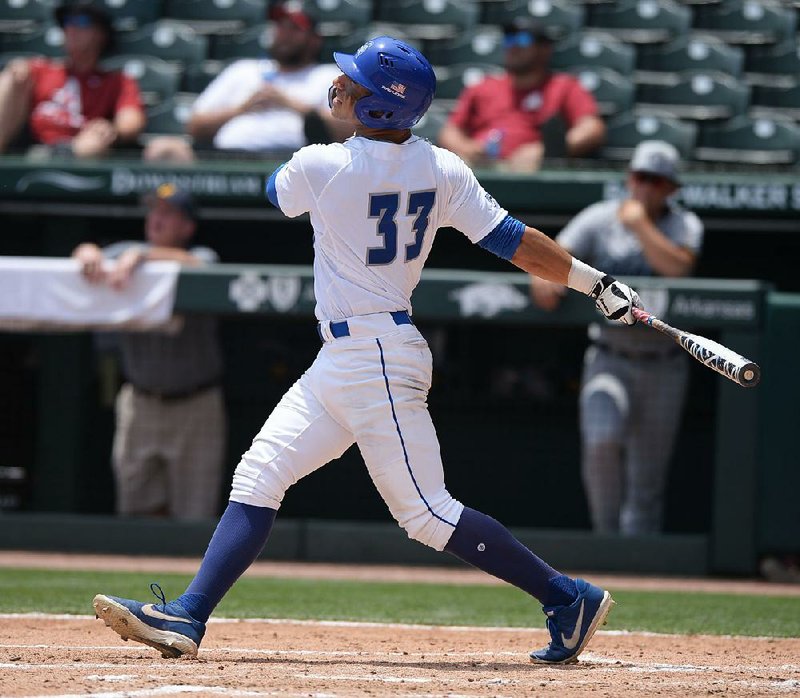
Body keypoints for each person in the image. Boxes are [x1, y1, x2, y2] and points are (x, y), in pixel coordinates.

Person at [92, 36, 641, 665]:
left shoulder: (321, 165)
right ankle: (188, 615)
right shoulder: (442, 167)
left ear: (381, 106)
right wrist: (594, 282)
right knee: (259, 474)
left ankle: (565, 595)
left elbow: (276, 192)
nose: (340, 87)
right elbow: (517, 243)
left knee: (428, 515)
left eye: (353, 85)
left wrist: (317, 118)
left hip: (373, 356)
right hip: (350, 355)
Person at [530, 141, 704, 535]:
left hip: (663, 363)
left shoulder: (684, 224)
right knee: (601, 441)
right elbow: (554, 255)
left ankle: (638, 562)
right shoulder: (599, 217)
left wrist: (640, 224)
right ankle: (606, 542)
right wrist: (541, 276)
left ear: (671, 188)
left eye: (657, 182)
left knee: (648, 475)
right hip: (609, 356)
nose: (645, 188)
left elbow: (678, 270)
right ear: (630, 178)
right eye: (641, 178)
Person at [72, 183, 226, 520]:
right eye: (154, 210)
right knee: (136, 510)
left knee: (194, 514)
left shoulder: (200, 255)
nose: (157, 218)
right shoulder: (126, 250)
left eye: (169, 213)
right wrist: (86, 252)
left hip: (196, 405)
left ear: (187, 226)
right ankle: (143, 575)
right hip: (140, 402)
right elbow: (85, 255)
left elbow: (203, 268)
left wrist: (143, 256)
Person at [145, 1, 353, 162]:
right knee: (162, 148)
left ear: (315, 39)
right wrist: (242, 108)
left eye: (294, 29)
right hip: (226, 158)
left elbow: (348, 128)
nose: (284, 34)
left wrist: (292, 105)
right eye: (280, 26)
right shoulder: (243, 70)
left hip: (297, 160)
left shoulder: (327, 75)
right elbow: (195, 126)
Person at [438, 17, 605, 172]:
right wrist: (467, 149)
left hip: (534, 176)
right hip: (481, 172)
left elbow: (592, 129)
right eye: (509, 40)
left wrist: (547, 151)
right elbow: (449, 132)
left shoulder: (564, 86)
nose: (514, 46)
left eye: (523, 40)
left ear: (544, 49)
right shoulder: (483, 87)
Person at [0, 0, 145, 158]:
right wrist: (16, 73)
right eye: (66, 22)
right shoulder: (40, 70)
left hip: (79, 149)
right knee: (13, 74)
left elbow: (131, 122)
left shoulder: (116, 81)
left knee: (96, 142)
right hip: (34, 145)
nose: (71, 29)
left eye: (81, 22)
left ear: (101, 34)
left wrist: (110, 129)